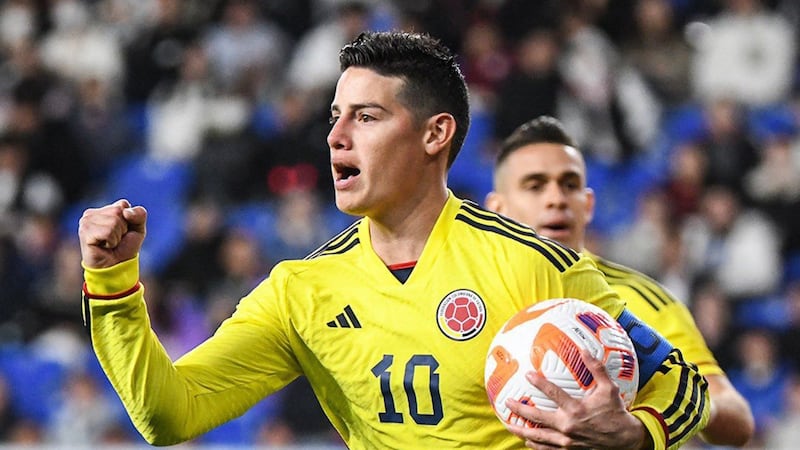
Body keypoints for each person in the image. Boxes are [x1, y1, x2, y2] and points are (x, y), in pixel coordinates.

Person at [78, 31, 708, 449]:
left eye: (367, 117)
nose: (336, 137)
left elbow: (682, 384)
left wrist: (637, 435)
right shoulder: (301, 291)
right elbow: (168, 415)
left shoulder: (534, 266)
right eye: (334, 118)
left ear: (435, 135)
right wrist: (111, 284)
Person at [485, 115, 754, 446]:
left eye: (569, 185)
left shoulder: (642, 299)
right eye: (535, 186)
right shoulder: (466, 295)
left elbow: (737, 419)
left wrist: (642, 426)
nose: (556, 199)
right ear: (496, 209)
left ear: (588, 204)